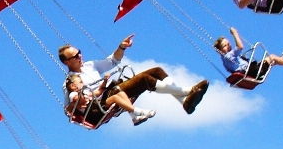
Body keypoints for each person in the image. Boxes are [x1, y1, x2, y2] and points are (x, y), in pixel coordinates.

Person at [59, 37, 209, 124]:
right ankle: (188, 91)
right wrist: (77, 102)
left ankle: (185, 103)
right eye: (75, 56)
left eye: (79, 53)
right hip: (105, 100)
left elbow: (112, 61)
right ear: (67, 62)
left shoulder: (90, 65)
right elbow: (69, 108)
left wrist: (121, 47)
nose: (80, 56)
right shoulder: (70, 82)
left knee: (156, 71)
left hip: (113, 89)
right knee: (144, 79)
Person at [65, 72, 155, 126]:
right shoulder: (73, 94)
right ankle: (140, 111)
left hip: (97, 108)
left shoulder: (86, 92)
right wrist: (82, 91)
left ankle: (134, 117)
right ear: (73, 86)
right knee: (115, 97)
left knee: (121, 93)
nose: (83, 83)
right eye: (80, 82)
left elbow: (99, 91)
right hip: (92, 113)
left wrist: (105, 80)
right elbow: (79, 100)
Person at [214, 27, 283, 80]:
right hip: (253, 72)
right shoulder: (228, 56)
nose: (229, 46)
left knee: (271, 60)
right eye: (225, 46)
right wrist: (235, 34)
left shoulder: (225, 59)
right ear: (220, 50)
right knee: (271, 57)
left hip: (251, 71)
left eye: (229, 43)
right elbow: (240, 47)